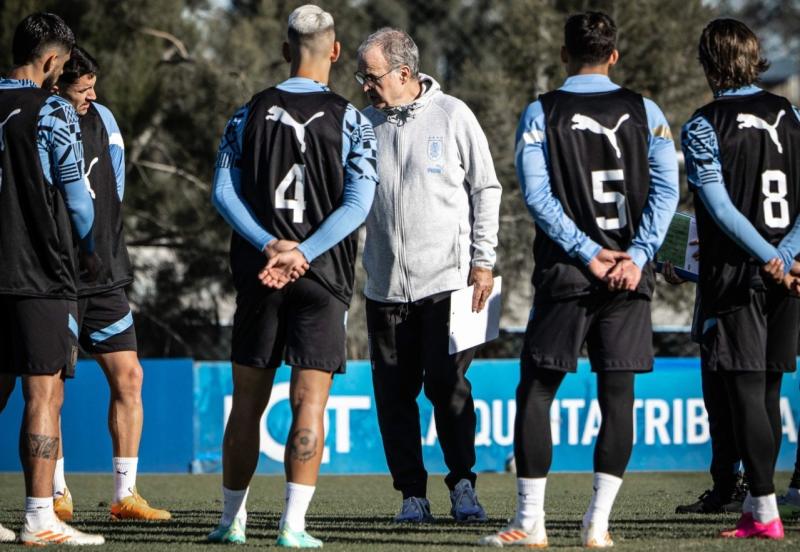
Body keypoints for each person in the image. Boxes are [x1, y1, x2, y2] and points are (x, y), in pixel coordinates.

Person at [481, 11, 679, 547]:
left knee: (537, 392)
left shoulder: (541, 112)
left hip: (568, 273)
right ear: (614, 55)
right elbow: (667, 191)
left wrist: (588, 253)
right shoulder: (647, 111)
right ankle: (597, 525)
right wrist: (637, 255)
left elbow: (537, 197)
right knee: (618, 397)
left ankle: (530, 523)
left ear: (565, 54)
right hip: (629, 277)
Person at [208, 4, 377, 548]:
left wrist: (269, 245)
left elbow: (222, 192)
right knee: (310, 404)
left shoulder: (247, 114)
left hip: (261, 274)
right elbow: (358, 204)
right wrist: (304, 252)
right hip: (321, 278)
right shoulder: (352, 120)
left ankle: (231, 522)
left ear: (285, 50)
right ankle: (293, 526)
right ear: (335, 51)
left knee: (247, 404)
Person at [356, 28, 502, 523]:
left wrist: (483, 261)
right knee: (394, 397)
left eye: (371, 76)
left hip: (450, 285)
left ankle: (463, 484)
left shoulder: (453, 114)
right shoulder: (362, 124)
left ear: (404, 73)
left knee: (448, 385)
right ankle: (412, 496)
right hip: (383, 288)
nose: (364, 86)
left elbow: (486, 188)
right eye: (361, 76)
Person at [683, 18, 800, 540]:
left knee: (748, 393)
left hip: (737, 276)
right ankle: (758, 506)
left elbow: (721, 208)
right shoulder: (793, 115)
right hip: (788, 277)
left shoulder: (704, 124)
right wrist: (788, 256)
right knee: (769, 392)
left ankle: (764, 512)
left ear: (709, 64)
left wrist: (770, 257)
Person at [48, 46, 171, 522]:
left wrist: (100, 246)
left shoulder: (103, 120)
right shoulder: (38, 121)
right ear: (56, 85)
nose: (93, 96)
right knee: (49, 390)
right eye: (83, 88)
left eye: (93, 86)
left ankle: (125, 495)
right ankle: (55, 493)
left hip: (103, 275)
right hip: (54, 277)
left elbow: (115, 189)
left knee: (130, 376)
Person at [0, 12, 104, 546]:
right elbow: (78, 200)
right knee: (42, 394)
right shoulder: (52, 109)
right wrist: (90, 249)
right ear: (50, 61)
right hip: (39, 271)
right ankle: (40, 517)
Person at [660, 257, 749, 515]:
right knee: (718, 410)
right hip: (711, 318)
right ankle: (725, 489)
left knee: (746, 407)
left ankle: (752, 489)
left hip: (744, 316)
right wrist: (685, 269)